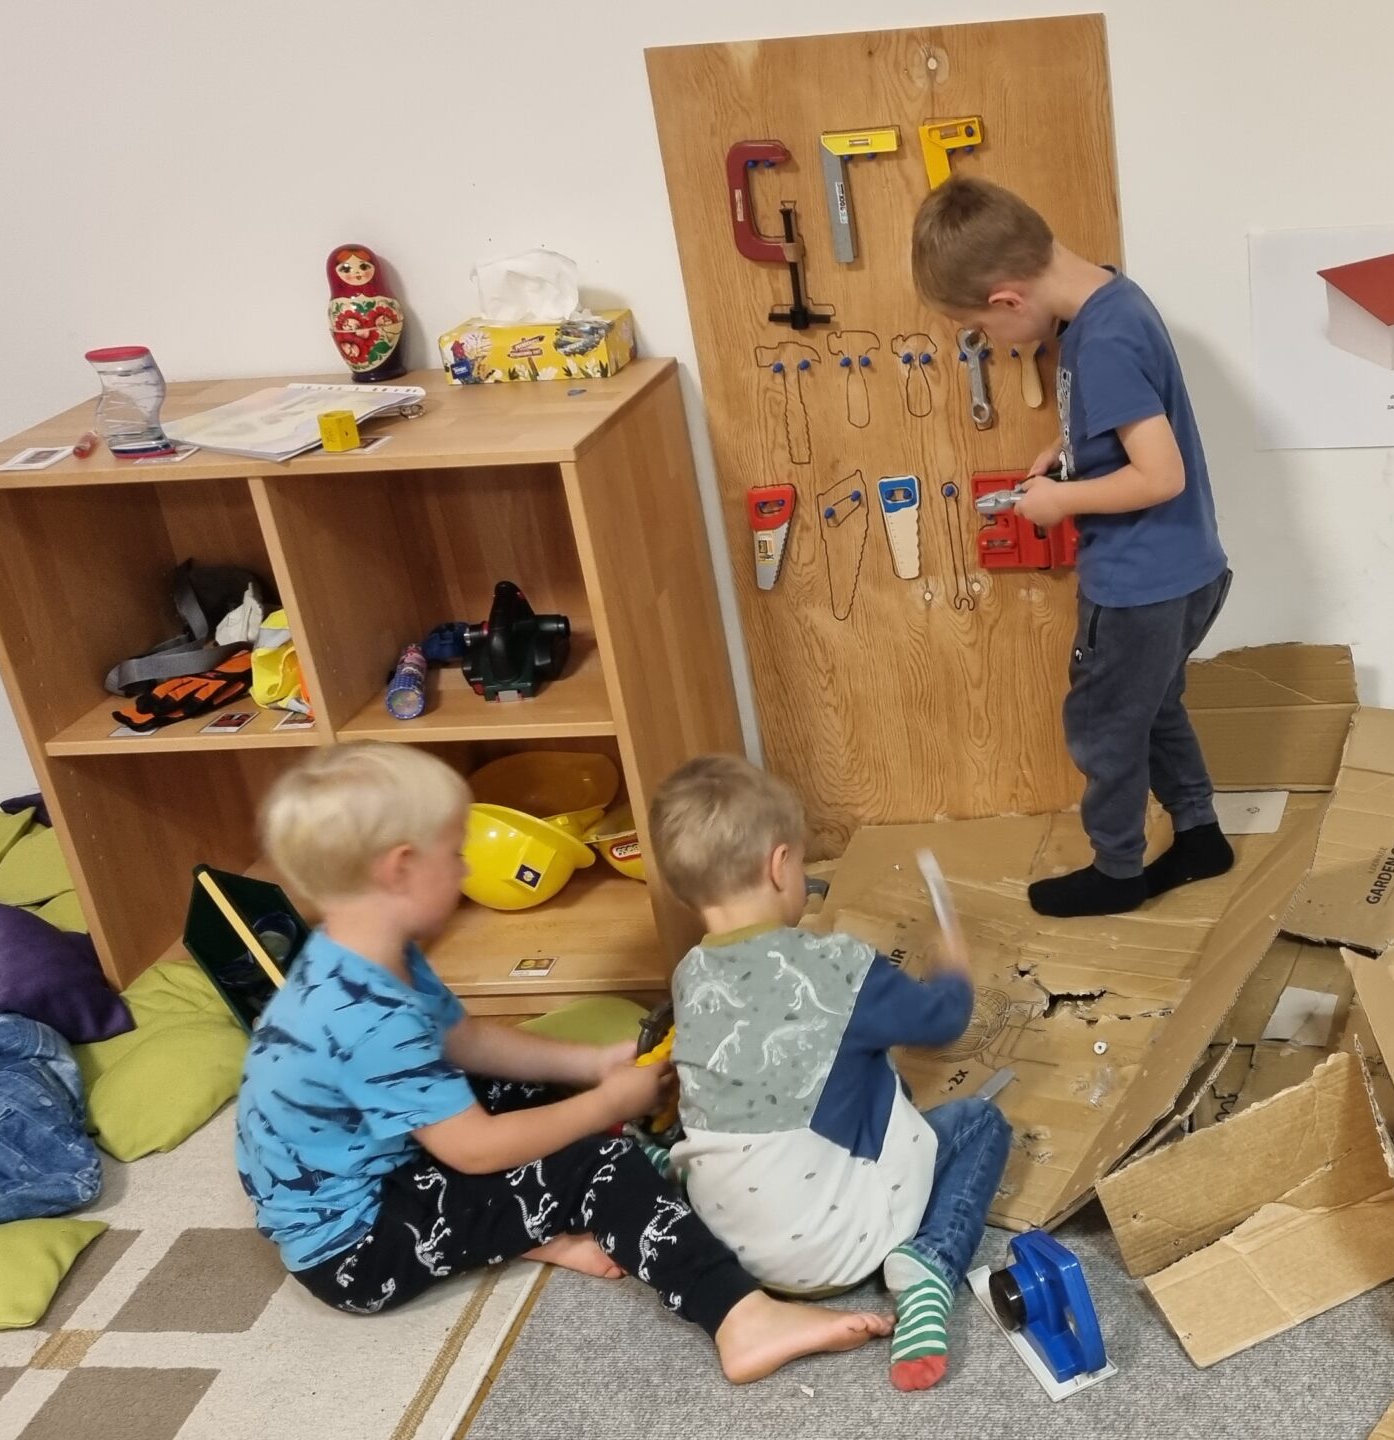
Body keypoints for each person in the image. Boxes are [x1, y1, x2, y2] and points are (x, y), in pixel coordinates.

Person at [233, 743, 886, 1382]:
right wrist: (605, 1105)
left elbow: (465, 1042)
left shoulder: (368, 950)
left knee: (518, 1091)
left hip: (382, 1162)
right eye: (454, 854)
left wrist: (594, 1065)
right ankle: (742, 1320)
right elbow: (475, 1151)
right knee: (598, 1165)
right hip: (358, 1247)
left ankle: (528, 1226)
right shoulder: (370, 1017)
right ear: (401, 869)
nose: (464, 870)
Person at [912, 176, 1235, 918]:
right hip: (1187, 569)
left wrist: (1059, 502)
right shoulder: (1114, 301)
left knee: (1104, 729)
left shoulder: (1102, 344)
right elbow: (1131, 422)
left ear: (1007, 300)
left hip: (1135, 585)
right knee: (1154, 707)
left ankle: (1117, 872)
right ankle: (1200, 835)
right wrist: (1069, 451)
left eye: (981, 329)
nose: (994, 343)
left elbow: (1160, 475)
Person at [649, 755, 1011, 1392]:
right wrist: (953, 964)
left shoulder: (689, 975)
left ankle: (666, 1167)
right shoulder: (839, 965)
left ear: (685, 891)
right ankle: (928, 1273)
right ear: (779, 865)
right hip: (835, 1247)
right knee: (980, 1124)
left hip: (729, 1240)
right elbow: (945, 1020)